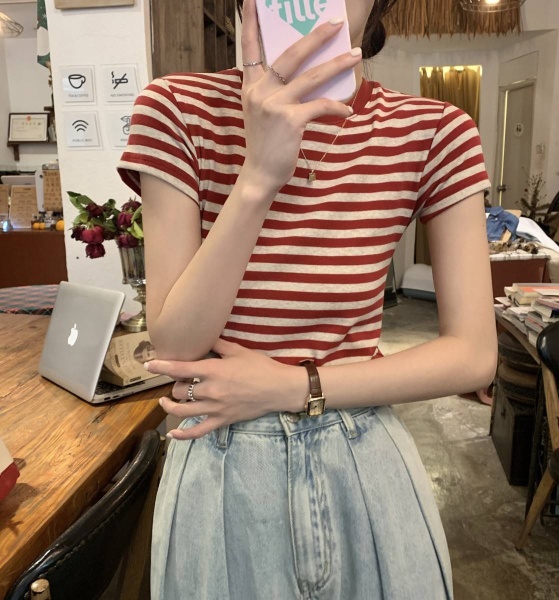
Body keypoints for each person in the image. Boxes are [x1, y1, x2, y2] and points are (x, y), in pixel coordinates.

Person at [117, 0, 497, 597]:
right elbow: (176, 343)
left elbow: (473, 355)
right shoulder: (177, 109)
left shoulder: (435, 130)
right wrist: (258, 176)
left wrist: (294, 387)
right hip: (221, 459)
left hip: (362, 454)